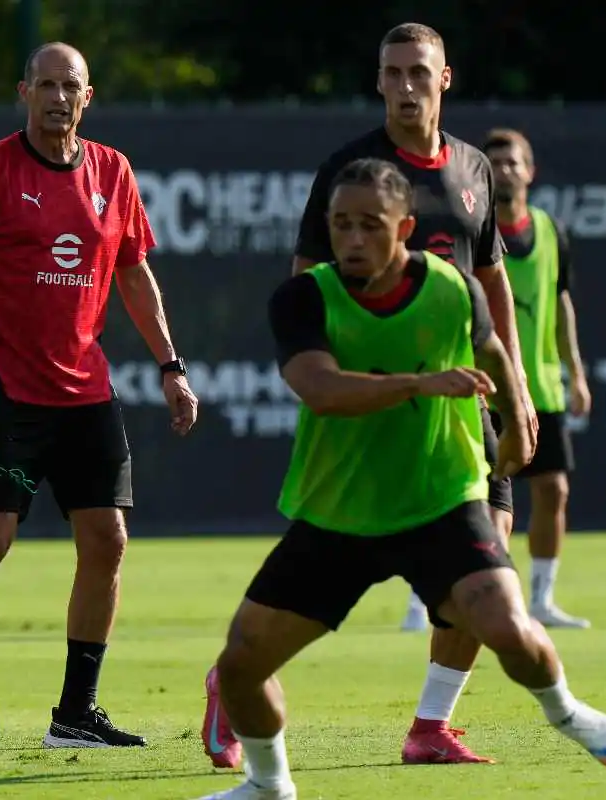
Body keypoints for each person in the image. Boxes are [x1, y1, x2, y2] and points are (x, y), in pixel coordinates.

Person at [193, 158, 606, 800]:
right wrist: (419, 384)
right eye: (340, 224)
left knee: (509, 627)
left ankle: (566, 712)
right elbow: (320, 389)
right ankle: (269, 785)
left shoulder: (452, 287)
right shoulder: (303, 297)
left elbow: (493, 351)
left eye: (369, 225)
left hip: (440, 501)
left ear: (403, 227)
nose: (352, 239)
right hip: (338, 512)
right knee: (239, 668)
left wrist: (517, 422)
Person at [202, 22, 539, 769]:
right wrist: (332, 375)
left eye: (419, 71)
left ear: (444, 78)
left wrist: (513, 382)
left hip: (464, 400)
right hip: (378, 406)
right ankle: (238, 674)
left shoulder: (476, 168)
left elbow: (492, 285)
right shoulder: (352, 172)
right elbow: (306, 284)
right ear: (379, 81)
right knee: (330, 564)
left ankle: (430, 726)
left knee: (490, 566)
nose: (406, 85)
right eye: (393, 72)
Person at [0, 41, 198, 748]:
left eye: (70, 86)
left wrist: (171, 365)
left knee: (107, 540)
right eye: (45, 84)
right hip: (6, 392)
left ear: (89, 97)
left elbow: (135, 276)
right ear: (23, 91)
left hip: (85, 389)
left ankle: (75, 714)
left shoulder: (112, 170)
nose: (57, 97)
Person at [485, 128, 591, 628]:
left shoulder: (550, 231)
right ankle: (429, 601)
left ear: (530, 171)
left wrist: (576, 373)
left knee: (553, 490)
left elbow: (561, 302)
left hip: (540, 386)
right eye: (495, 162)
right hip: (483, 384)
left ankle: (542, 600)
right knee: (466, 499)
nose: (505, 170)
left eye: (513, 162)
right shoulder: (471, 228)